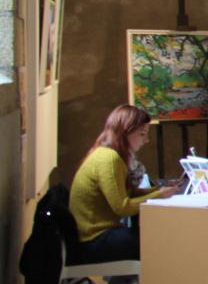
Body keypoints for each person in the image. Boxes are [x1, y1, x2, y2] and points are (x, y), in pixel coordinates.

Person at [68, 105, 180, 263]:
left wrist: (158, 190)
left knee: (159, 236)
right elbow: (122, 207)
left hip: (94, 236)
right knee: (162, 241)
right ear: (126, 132)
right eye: (142, 134)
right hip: (93, 240)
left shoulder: (106, 153)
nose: (146, 140)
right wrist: (159, 195)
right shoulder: (109, 159)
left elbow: (126, 193)